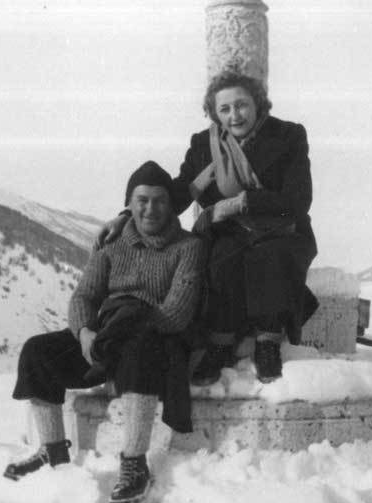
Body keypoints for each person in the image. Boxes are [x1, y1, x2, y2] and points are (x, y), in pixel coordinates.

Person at [4, 160, 206, 503]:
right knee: (38, 351)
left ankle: (134, 463)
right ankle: (52, 449)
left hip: (152, 336)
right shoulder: (112, 244)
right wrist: (84, 333)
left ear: (171, 205)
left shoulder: (188, 247)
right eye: (142, 200)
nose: (150, 209)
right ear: (129, 203)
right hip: (105, 336)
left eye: (159, 200)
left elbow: (176, 312)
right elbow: (84, 296)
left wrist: (128, 328)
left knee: (141, 346)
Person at [97, 71, 318, 384]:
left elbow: (298, 200)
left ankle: (268, 341)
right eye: (224, 109)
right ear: (214, 113)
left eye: (241, 105)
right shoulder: (205, 144)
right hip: (231, 232)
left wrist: (240, 203)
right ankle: (220, 344)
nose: (234, 115)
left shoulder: (287, 136)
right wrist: (126, 216)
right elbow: (178, 193)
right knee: (218, 258)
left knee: (268, 256)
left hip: (283, 230)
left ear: (257, 103)